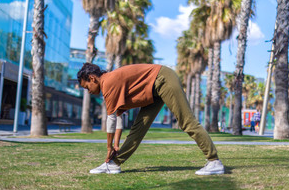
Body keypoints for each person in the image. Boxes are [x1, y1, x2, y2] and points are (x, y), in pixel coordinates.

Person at [77, 63, 224, 175]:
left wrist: (108, 148)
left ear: (92, 78)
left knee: (187, 122)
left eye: (86, 87)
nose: (88, 91)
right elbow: (118, 117)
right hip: (153, 91)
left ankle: (214, 161)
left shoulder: (107, 82)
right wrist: (115, 145)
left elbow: (110, 121)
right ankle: (114, 164)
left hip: (163, 79)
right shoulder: (108, 83)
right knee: (138, 128)